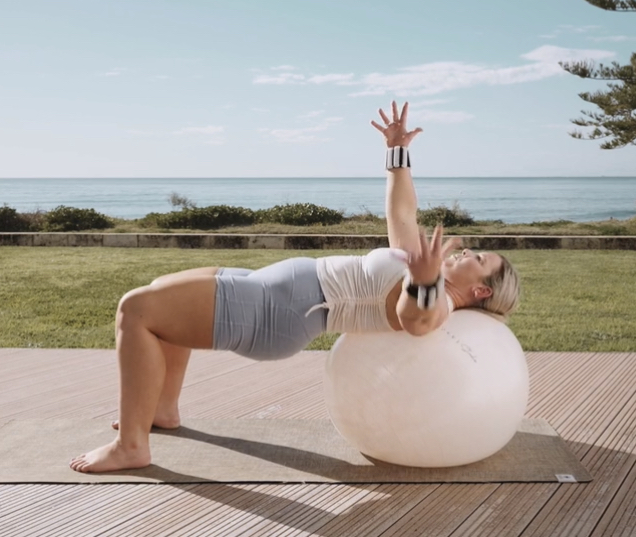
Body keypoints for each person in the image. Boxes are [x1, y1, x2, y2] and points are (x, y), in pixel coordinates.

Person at [70, 101, 521, 473]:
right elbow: (402, 214)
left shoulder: (438, 298)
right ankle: (162, 411)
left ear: (481, 291)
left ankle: (132, 447)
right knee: (160, 288)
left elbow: (417, 322)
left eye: (478, 261)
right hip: (265, 291)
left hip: (274, 314)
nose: (467, 254)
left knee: (136, 310)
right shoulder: (423, 266)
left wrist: (423, 284)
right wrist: (397, 153)